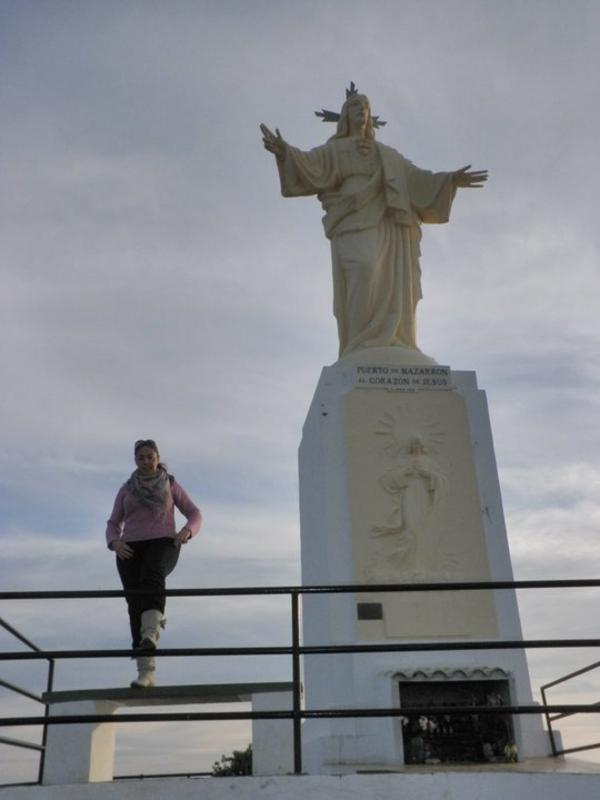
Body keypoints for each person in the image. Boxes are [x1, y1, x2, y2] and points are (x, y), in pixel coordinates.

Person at [260, 89, 487, 358]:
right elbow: (309, 165)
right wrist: (284, 152)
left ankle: (391, 338)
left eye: (365, 107)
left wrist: (449, 180)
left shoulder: (387, 155)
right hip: (351, 217)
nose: (361, 111)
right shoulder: (335, 149)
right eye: (355, 106)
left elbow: (415, 178)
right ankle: (359, 342)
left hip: (387, 220)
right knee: (363, 270)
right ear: (345, 115)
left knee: (391, 278)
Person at [106, 439, 202, 688]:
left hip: (163, 542)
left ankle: (150, 634)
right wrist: (114, 542)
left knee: (152, 575)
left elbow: (195, 513)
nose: (146, 462)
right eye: (141, 458)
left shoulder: (170, 484)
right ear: (135, 461)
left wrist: (187, 532)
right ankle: (145, 673)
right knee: (135, 603)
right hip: (129, 549)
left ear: (158, 458)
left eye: (150, 456)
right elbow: (113, 523)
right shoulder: (127, 488)